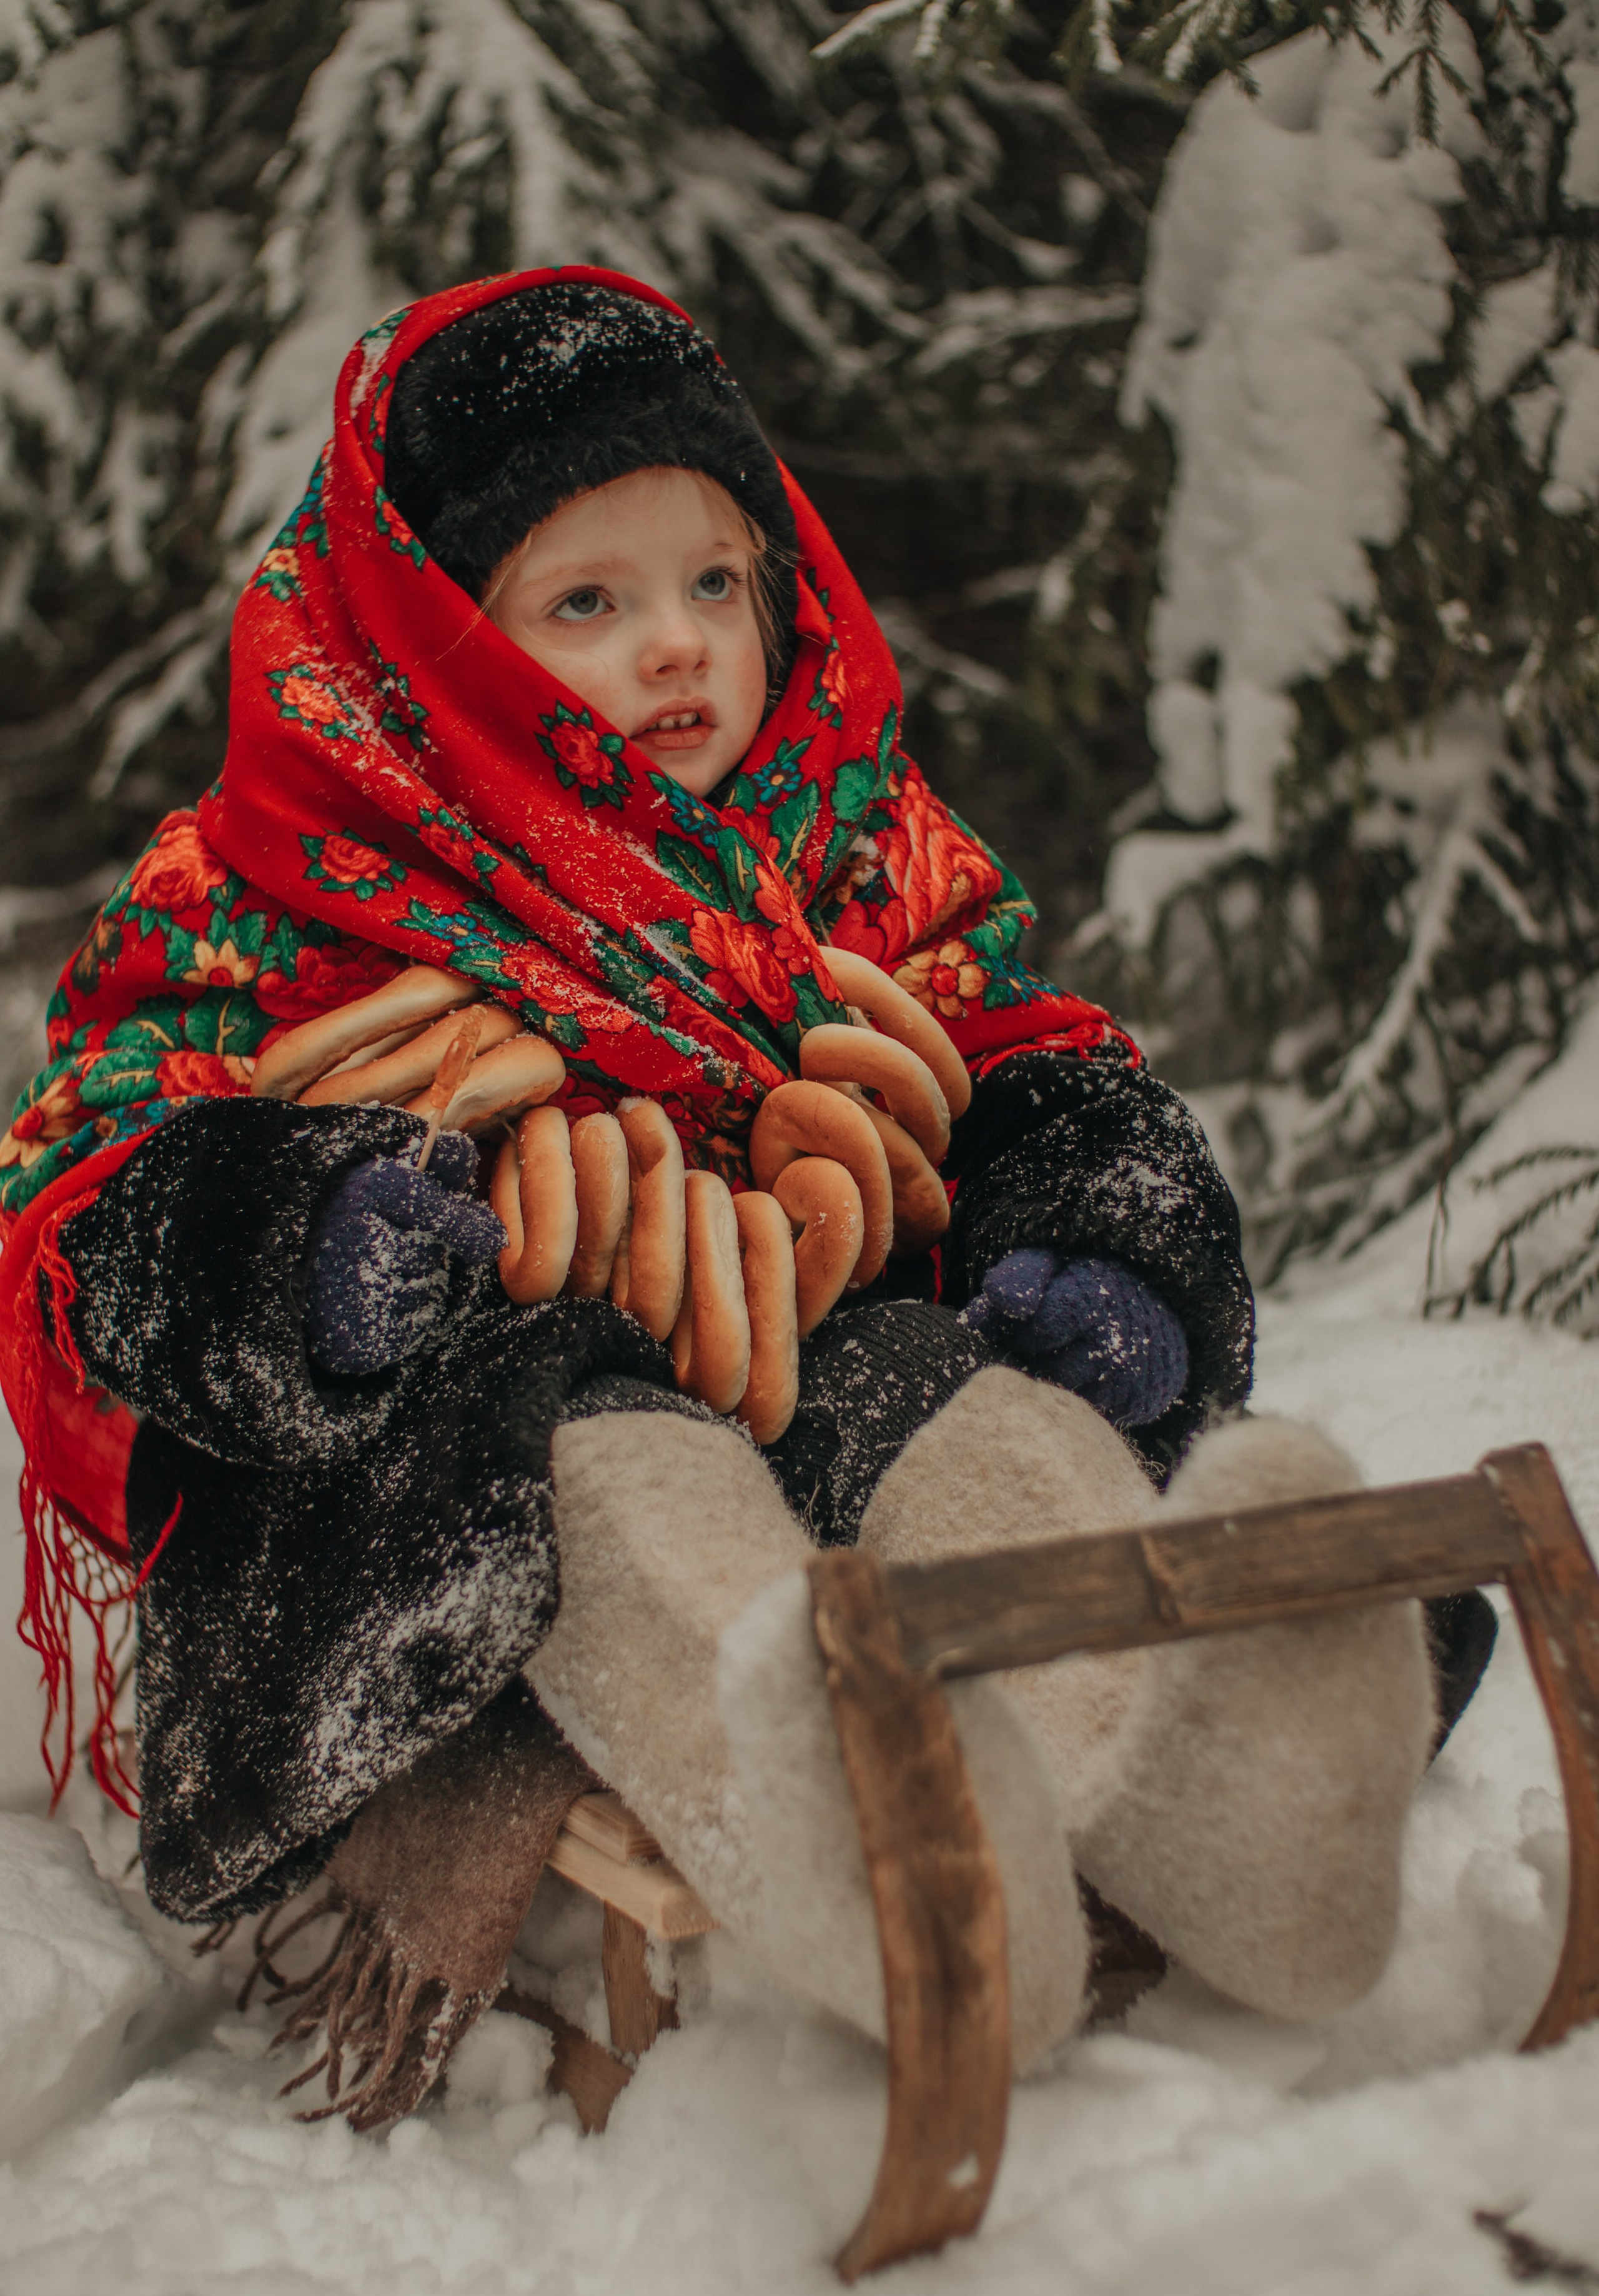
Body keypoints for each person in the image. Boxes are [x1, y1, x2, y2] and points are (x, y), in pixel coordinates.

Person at [0, 270, 1492, 2125]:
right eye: (589, 604)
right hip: (489, 1439)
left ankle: (1219, 1793)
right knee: (603, 1467)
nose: (683, 649)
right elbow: (83, 1198)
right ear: (439, 641)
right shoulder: (286, 875)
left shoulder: (842, 835)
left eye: (718, 582)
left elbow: (1025, 1046)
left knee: (954, 1415)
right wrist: (289, 1249)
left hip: (820, 1357)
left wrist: (1103, 1243)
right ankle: (873, 1838)